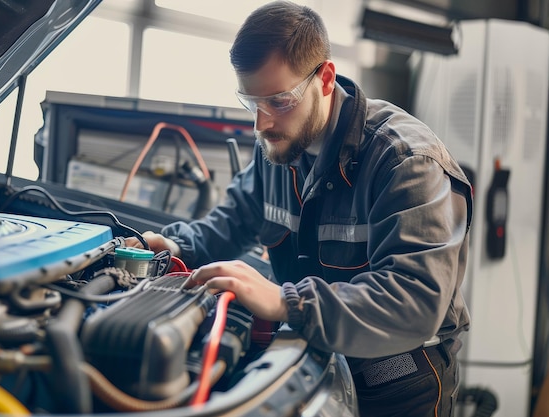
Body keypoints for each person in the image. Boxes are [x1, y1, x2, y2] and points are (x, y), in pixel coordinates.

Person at [127, 1, 473, 416]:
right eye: (251, 102)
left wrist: (287, 303)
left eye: (279, 101)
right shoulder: (276, 147)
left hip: (397, 379)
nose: (261, 124)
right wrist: (174, 245)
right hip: (314, 353)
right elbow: (232, 222)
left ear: (325, 78)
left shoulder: (406, 162)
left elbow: (414, 303)